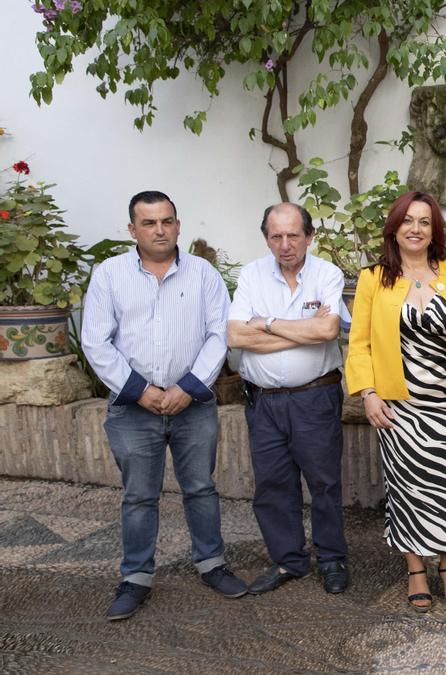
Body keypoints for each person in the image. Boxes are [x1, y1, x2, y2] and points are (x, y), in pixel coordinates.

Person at [82, 190, 248, 621]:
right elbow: (95, 342)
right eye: (150, 223)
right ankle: (135, 576)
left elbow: (218, 335)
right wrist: (141, 390)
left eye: (167, 221)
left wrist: (189, 387)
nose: (160, 230)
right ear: (132, 229)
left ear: (178, 224)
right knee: (139, 496)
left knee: (201, 488)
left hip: (192, 405)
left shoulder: (203, 274)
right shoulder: (109, 275)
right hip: (133, 410)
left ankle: (212, 564)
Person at [345, 190, 446, 612]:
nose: (416, 229)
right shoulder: (374, 278)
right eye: (408, 220)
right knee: (407, 488)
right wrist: (368, 393)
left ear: (434, 230)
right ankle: (415, 570)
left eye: (425, 222)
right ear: (394, 227)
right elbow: (360, 345)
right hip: (398, 405)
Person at [227, 203, 349, 595]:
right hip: (264, 402)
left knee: (324, 483)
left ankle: (332, 559)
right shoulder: (251, 275)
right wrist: (303, 329)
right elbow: (236, 337)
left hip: (315, 398)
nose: (285, 245)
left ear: (309, 237)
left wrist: (265, 322)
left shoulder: (327, 274)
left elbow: (328, 330)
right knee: (273, 484)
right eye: (276, 236)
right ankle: (289, 561)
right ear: (266, 238)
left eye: (293, 235)